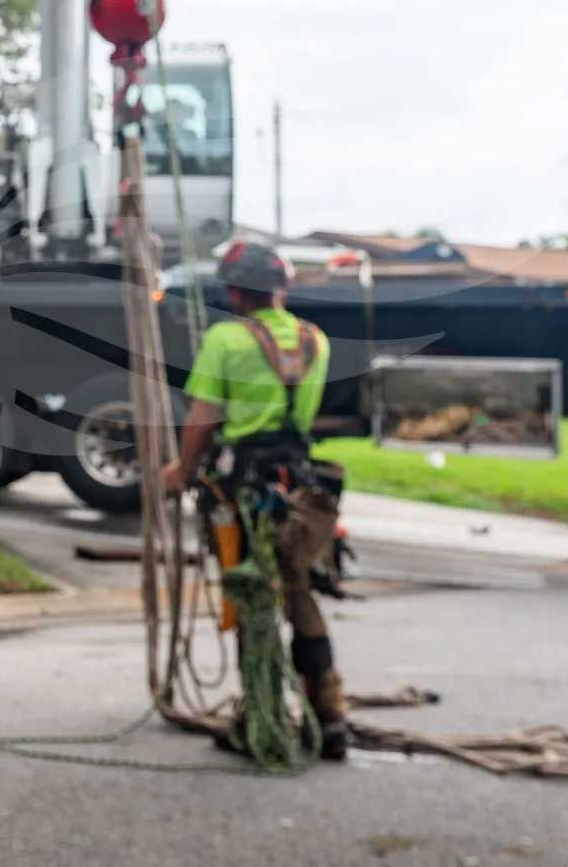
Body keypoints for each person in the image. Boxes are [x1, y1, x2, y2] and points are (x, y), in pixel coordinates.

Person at [161, 240, 346, 760]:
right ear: (281, 289)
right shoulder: (316, 340)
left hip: (244, 488)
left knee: (251, 594)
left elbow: (203, 418)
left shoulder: (226, 339)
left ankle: (261, 716)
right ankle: (329, 715)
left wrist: (180, 470)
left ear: (236, 293)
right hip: (302, 490)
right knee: (298, 590)